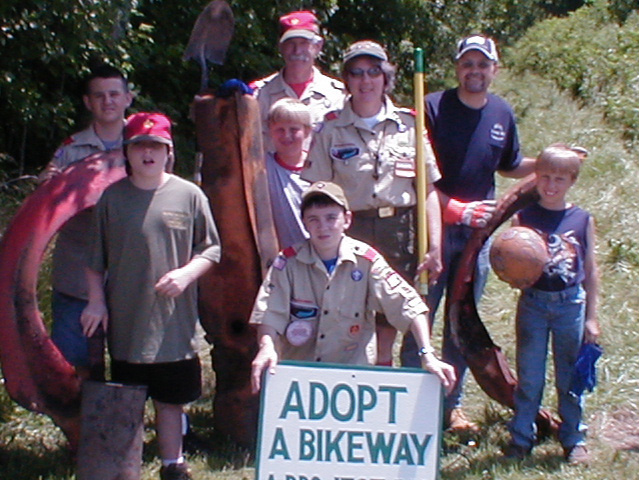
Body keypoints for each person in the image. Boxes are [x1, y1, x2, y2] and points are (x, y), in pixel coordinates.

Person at [400, 34, 536, 431]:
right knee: (419, 315)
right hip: (433, 229)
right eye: (467, 63)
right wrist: (452, 210)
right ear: (457, 66)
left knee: (461, 322)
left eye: (482, 64)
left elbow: (508, 164)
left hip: (478, 236)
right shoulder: (432, 106)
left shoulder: (501, 112)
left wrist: (543, 164)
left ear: (494, 69)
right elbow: (415, 173)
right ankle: (411, 402)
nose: (474, 71)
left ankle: (449, 407)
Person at [80, 112, 221, 480]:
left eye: (155, 146)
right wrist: (96, 301)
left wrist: (187, 273)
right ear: (126, 152)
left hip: (173, 321)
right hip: (127, 317)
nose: (147, 154)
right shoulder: (112, 199)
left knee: (170, 398)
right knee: (128, 397)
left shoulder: (189, 195)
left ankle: (172, 463)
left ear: (168, 151)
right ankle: (124, 465)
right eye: (139, 146)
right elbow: (95, 260)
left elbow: (211, 249)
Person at [302, 40, 442, 367]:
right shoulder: (330, 128)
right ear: (346, 80)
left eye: (373, 72)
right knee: (349, 303)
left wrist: (435, 245)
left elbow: (429, 189)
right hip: (351, 228)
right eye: (357, 73)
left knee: (393, 306)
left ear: (385, 77)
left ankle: (384, 366)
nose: (366, 81)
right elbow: (317, 190)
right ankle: (354, 371)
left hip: (400, 227)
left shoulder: (409, 125)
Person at [250, 181, 456, 396]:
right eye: (314, 220)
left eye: (331, 218)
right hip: (300, 376)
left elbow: (409, 305)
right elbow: (269, 314)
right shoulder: (287, 263)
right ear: (304, 224)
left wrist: (427, 353)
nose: (323, 227)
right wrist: (267, 346)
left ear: (347, 220)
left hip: (353, 378)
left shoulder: (366, 261)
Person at [504, 145, 599, 464]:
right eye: (545, 177)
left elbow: (590, 270)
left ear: (572, 180)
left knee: (569, 376)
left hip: (570, 305)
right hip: (533, 303)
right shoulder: (524, 217)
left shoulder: (581, 219)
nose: (551, 185)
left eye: (559, 179)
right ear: (536, 177)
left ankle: (573, 438)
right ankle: (521, 436)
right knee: (530, 375)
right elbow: (510, 261)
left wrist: (592, 317)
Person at [39, 64, 133, 378]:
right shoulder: (70, 151)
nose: (108, 101)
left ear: (128, 98)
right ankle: (80, 419)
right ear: (87, 102)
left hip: (131, 270)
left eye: (114, 94)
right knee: (74, 360)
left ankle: (127, 419)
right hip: (77, 271)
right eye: (99, 95)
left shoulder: (147, 144)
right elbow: (46, 204)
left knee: (136, 361)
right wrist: (47, 186)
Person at [250, 10, 345, 151]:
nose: (297, 50)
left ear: (317, 47)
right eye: (290, 43)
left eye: (303, 43)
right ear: (281, 47)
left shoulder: (339, 96)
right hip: (273, 172)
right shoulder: (258, 95)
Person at [265, 98, 312, 248]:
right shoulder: (264, 165)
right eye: (280, 130)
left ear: (307, 131)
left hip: (319, 251)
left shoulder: (321, 166)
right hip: (283, 257)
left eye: (294, 130)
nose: (286, 136)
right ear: (270, 131)